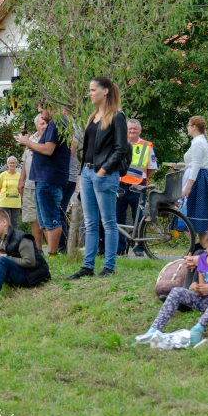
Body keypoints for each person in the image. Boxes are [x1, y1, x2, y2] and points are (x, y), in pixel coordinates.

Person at [140, 221, 208, 345]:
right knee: (177, 291)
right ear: (207, 244)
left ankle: (198, 329)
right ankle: (153, 330)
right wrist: (197, 288)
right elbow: (203, 293)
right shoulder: (202, 260)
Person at [67, 77, 130, 279]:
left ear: (105, 91)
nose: (90, 93)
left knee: (108, 223)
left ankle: (109, 266)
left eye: (93, 90)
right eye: (89, 90)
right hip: (86, 173)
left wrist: (102, 171)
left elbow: (121, 149)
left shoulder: (117, 116)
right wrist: (80, 176)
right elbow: (87, 150)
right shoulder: (92, 116)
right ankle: (87, 267)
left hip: (105, 175)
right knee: (91, 223)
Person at [16, 100, 72, 258]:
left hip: (50, 179)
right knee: (43, 219)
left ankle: (53, 254)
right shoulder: (55, 124)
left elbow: (48, 149)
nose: (41, 115)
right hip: (44, 178)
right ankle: (52, 254)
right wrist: (32, 145)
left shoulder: (57, 123)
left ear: (50, 108)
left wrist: (28, 141)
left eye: (41, 112)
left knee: (51, 218)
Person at [116, 118, 158, 256]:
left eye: (135, 128)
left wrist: (141, 180)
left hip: (138, 187)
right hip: (120, 185)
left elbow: (151, 168)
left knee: (139, 218)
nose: (132, 131)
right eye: (129, 129)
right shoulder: (119, 143)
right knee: (118, 218)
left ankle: (139, 247)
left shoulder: (146, 146)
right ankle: (120, 248)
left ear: (140, 130)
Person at [179, 116, 208, 245]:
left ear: (194, 127)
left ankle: (195, 248)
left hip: (198, 181)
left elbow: (196, 166)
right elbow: (196, 162)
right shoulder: (202, 141)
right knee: (201, 216)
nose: (187, 128)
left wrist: (188, 187)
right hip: (202, 179)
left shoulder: (197, 142)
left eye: (188, 126)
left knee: (185, 214)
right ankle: (199, 249)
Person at [18, 115, 46, 251]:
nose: (44, 126)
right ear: (36, 126)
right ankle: (38, 250)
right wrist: (21, 180)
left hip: (44, 182)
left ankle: (54, 250)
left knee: (46, 217)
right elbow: (25, 161)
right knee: (34, 219)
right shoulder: (30, 139)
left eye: (46, 123)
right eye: (41, 123)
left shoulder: (50, 139)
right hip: (29, 184)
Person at [57, 107, 80, 253]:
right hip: (65, 175)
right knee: (59, 211)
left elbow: (69, 153)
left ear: (63, 111)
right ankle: (63, 246)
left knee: (60, 211)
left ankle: (63, 247)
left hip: (68, 175)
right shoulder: (71, 127)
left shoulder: (73, 129)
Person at [0, 156, 22, 228]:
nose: (12, 164)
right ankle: (3, 238)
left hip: (16, 203)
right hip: (4, 202)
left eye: (14, 163)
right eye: (10, 163)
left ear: (16, 164)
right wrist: (1, 196)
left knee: (14, 222)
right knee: (3, 222)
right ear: (7, 164)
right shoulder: (2, 175)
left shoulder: (20, 176)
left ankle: (14, 238)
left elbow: (22, 188)